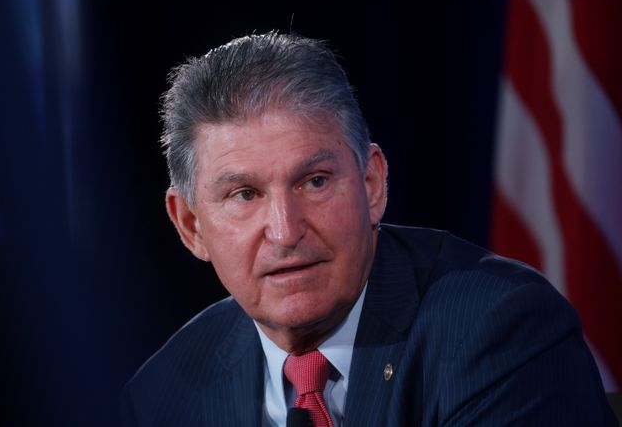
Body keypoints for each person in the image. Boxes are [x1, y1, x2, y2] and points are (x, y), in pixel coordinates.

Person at [121, 32, 614, 426]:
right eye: (244, 195)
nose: (285, 230)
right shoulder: (164, 396)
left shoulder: (501, 331)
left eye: (314, 181)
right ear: (191, 226)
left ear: (372, 183)